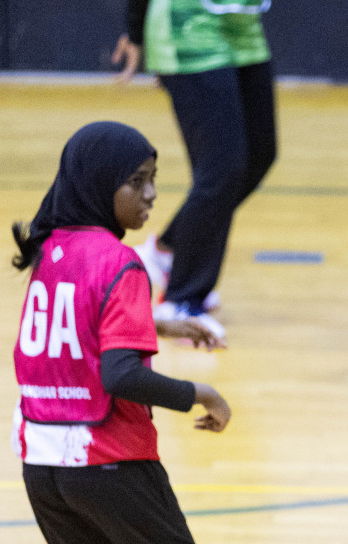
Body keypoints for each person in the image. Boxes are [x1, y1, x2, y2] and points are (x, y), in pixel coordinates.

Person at [10, 121, 232, 544]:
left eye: (152, 180)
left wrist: (161, 323)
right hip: (107, 457)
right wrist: (200, 392)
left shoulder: (52, 251)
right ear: (98, 187)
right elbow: (120, 373)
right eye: (136, 183)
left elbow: (88, 327)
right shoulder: (121, 263)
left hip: (41, 461)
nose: (151, 196)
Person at [113, 0, 278, 339]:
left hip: (243, 26)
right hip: (187, 25)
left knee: (259, 154)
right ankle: (181, 300)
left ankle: (168, 249)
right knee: (222, 168)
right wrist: (137, 30)